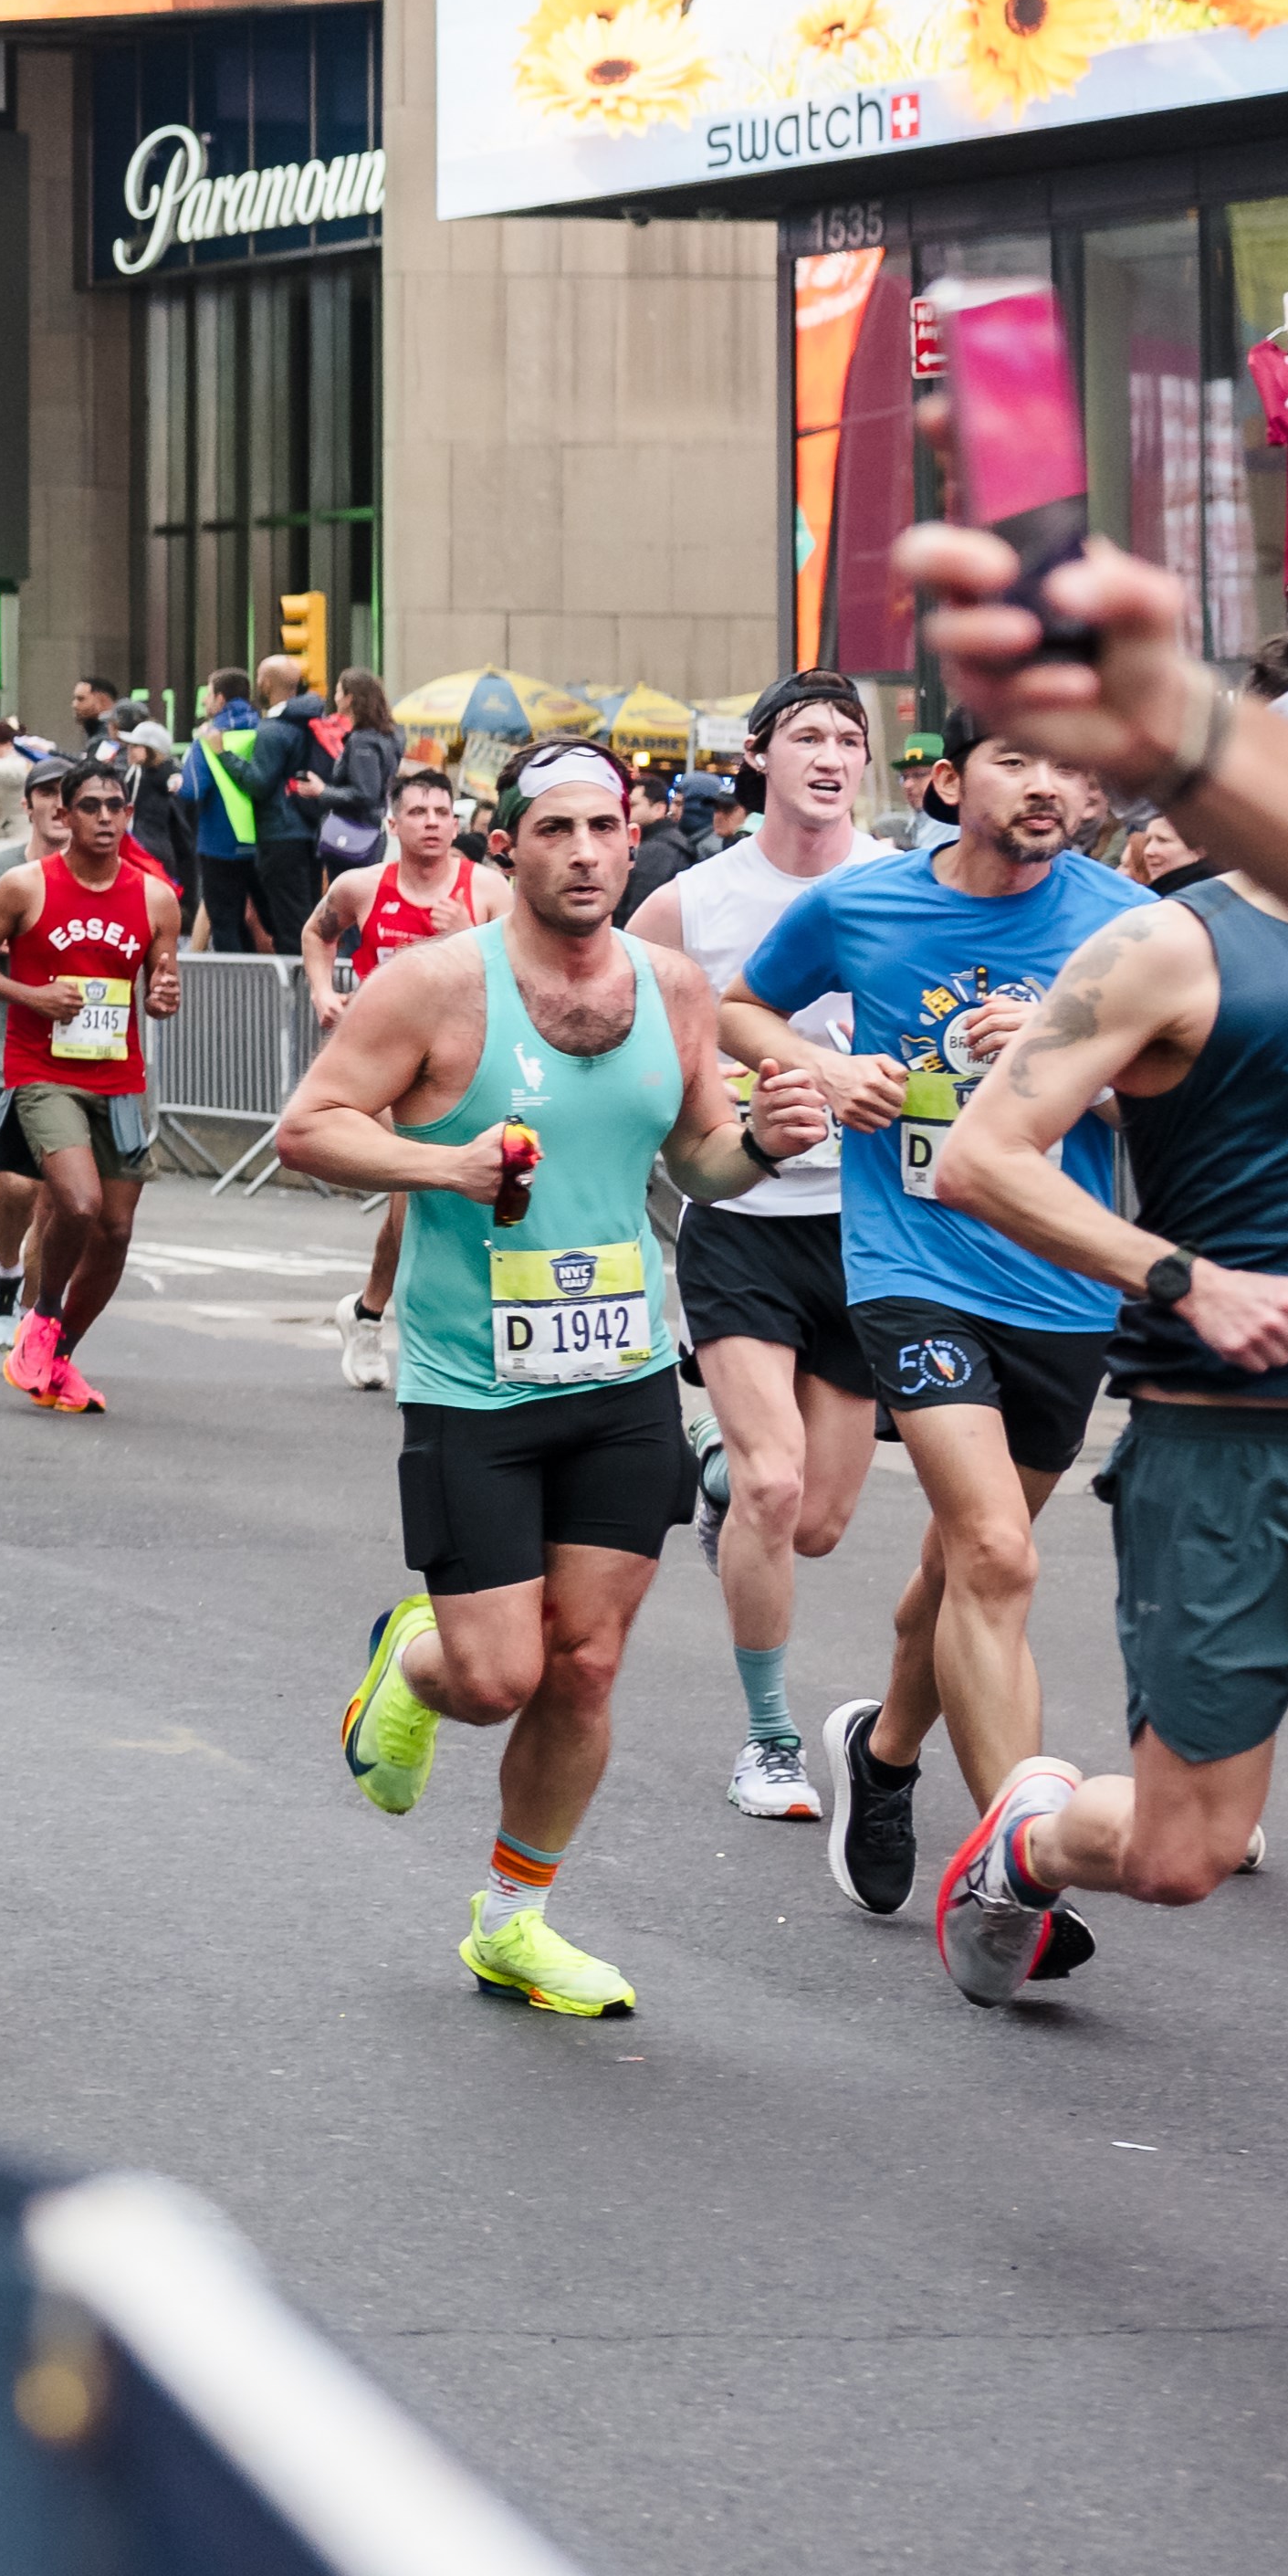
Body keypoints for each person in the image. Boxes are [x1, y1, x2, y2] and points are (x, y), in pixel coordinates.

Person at [275, 743, 813, 2023]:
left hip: (621, 1369)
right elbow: (308, 1128)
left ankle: (512, 1919)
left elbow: (697, 1155)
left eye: (604, 828)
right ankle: (414, 1659)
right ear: (503, 844)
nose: (582, 850)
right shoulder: (432, 986)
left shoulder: (674, 987)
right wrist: (446, 1165)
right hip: (471, 1383)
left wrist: (761, 1143)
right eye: (554, 827)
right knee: (495, 1676)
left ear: (633, 845)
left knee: (583, 1665)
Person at [888, 628, 1288, 1991]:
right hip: (1232, 1442)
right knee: (1183, 1847)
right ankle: (1024, 1842)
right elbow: (980, 1156)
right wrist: (1184, 1274)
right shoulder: (1167, 945)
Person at [730, 728, 1149, 1930]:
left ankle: (884, 1748)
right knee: (999, 1555)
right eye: (1021, 758)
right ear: (948, 781)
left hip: (1061, 1284)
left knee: (956, 1565)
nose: (1051, 786)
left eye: (1074, 766)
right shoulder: (859, 904)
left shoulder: (1125, 925)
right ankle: (1009, 1874)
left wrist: (1066, 1054)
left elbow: (1179, 1088)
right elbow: (740, 1004)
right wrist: (825, 1061)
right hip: (910, 1266)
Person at [632, 678, 891, 1822]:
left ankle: (711, 1473)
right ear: (757, 755)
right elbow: (613, 1019)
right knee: (777, 1487)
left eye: (847, 738)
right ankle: (770, 1739)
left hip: (870, 1229)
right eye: (806, 736)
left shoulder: (903, 884)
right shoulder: (691, 901)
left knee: (815, 1518)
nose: (829, 755)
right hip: (738, 1221)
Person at [0, 760, 178, 1409]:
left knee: (117, 1231)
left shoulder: (155, 897)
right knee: (77, 1203)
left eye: (115, 807)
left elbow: (161, 990)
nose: (105, 818)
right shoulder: (25, 887)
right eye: (91, 806)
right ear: (64, 816)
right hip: (41, 1071)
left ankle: (59, 1353)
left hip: (119, 1080)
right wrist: (32, 995)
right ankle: (40, 1318)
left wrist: (163, 996)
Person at [313, 770, 497, 1393]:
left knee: (433, 1199)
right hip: (386, 1072)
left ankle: (367, 1310)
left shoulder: (488, 890)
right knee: (417, 1189)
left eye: (442, 812)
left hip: (464, 1064)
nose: (431, 823)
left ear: (456, 822)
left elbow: (514, 964)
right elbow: (319, 931)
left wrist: (461, 937)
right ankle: (416, 1336)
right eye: (417, 812)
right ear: (394, 825)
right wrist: (321, 990)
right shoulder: (362, 887)